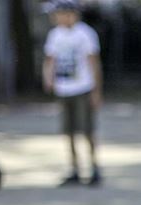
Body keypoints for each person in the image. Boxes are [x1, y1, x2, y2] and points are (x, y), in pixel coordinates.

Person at [43, 0, 102, 186]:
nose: (58, 17)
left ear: (72, 14)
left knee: (87, 131)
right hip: (64, 89)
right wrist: (48, 78)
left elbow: (94, 62)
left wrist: (96, 90)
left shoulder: (85, 34)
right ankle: (74, 169)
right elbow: (50, 59)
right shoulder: (54, 35)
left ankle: (94, 168)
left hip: (83, 89)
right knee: (68, 132)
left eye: (62, 13)